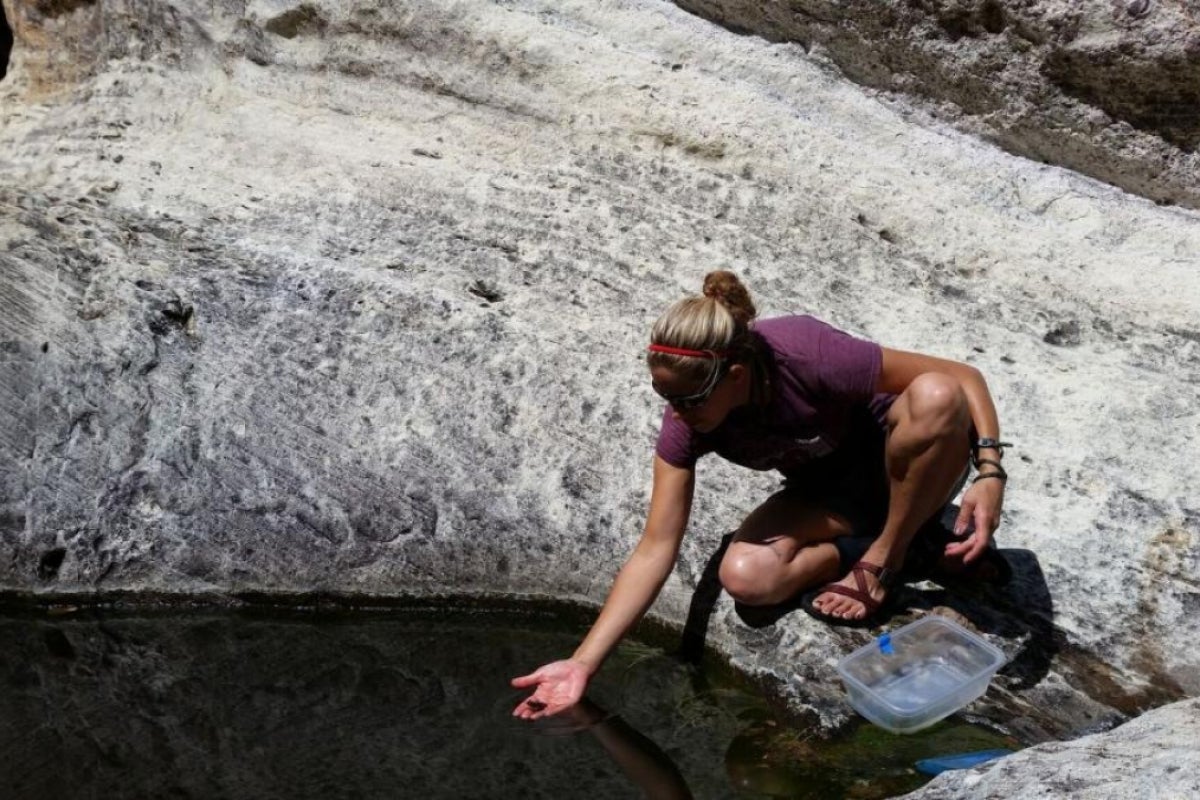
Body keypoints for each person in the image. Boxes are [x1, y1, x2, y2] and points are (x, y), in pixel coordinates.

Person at [512, 271, 1009, 720]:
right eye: (666, 399)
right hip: (832, 496)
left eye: (687, 400)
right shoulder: (687, 423)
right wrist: (582, 663)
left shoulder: (806, 353)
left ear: (734, 376)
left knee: (936, 395)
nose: (676, 414)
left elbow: (962, 378)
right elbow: (655, 548)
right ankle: (898, 549)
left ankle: (885, 556)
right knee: (746, 576)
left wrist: (989, 471)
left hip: (914, 468)